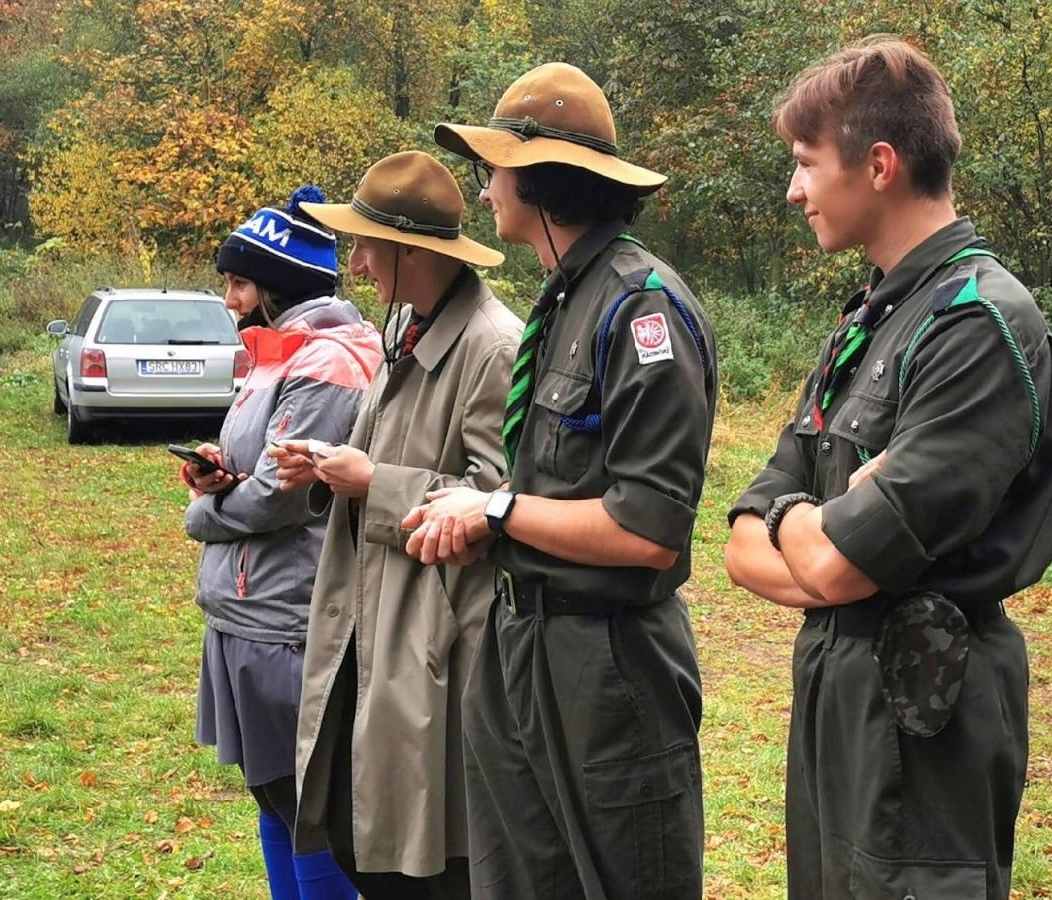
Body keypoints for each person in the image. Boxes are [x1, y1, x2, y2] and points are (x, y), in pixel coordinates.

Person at [723, 37, 1052, 900]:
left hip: (927, 725)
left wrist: (808, 536)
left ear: (878, 165)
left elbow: (838, 560)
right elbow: (743, 537)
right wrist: (819, 525)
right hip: (840, 695)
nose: (793, 188)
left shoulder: (980, 323)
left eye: (805, 163)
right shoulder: (871, 320)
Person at [404, 62, 718, 900]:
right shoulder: (562, 299)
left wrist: (498, 507)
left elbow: (649, 531)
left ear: (542, 181)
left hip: (609, 670)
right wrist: (484, 520)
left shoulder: (641, 309)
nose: (483, 193)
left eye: (494, 169)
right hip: (521, 649)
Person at [271, 151, 520, 899]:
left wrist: (373, 481)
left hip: (429, 647)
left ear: (412, 251)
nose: (355, 261)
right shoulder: (408, 323)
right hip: (367, 625)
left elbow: (498, 501)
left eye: (367, 244)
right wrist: (327, 466)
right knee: (356, 832)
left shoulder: (492, 345)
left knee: (428, 861)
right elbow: (390, 449)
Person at [182, 186, 381, 900]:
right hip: (248, 608)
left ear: (280, 282)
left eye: (238, 281)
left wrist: (204, 512)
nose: (230, 298)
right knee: (274, 798)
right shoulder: (277, 350)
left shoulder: (329, 360)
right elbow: (258, 468)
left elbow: (280, 494)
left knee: (308, 810)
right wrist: (219, 470)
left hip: (289, 619)